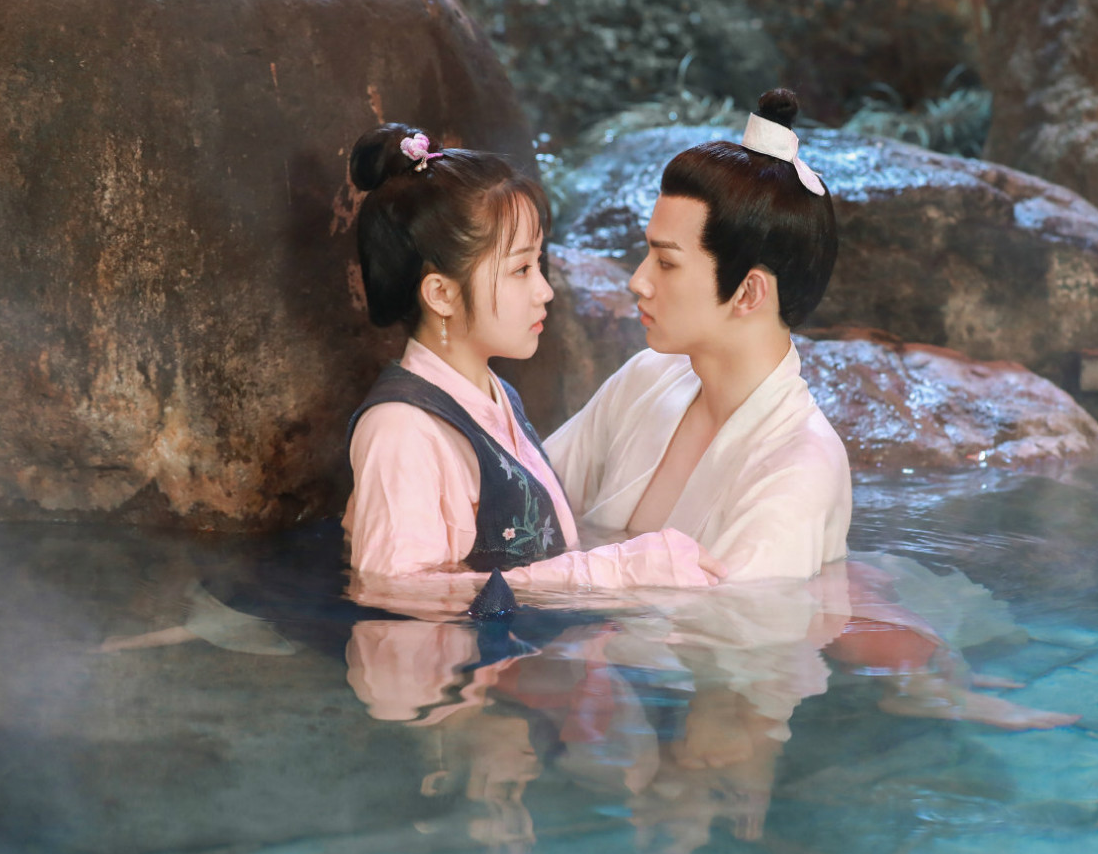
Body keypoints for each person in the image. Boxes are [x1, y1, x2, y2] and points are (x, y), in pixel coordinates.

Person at [342, 123, 725, 606]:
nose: (544, 291)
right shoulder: (402, 430)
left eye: (538, 264)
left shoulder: (493, 394)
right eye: (521, 269)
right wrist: (616, 569)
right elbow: (396, 597)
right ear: (441, 293)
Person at [545, 88, 849, 583]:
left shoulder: (799, 468)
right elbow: (529, 503)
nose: (638, 281)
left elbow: (728, 622)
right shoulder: (647, 378)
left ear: (749, 292)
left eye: (666, 262)